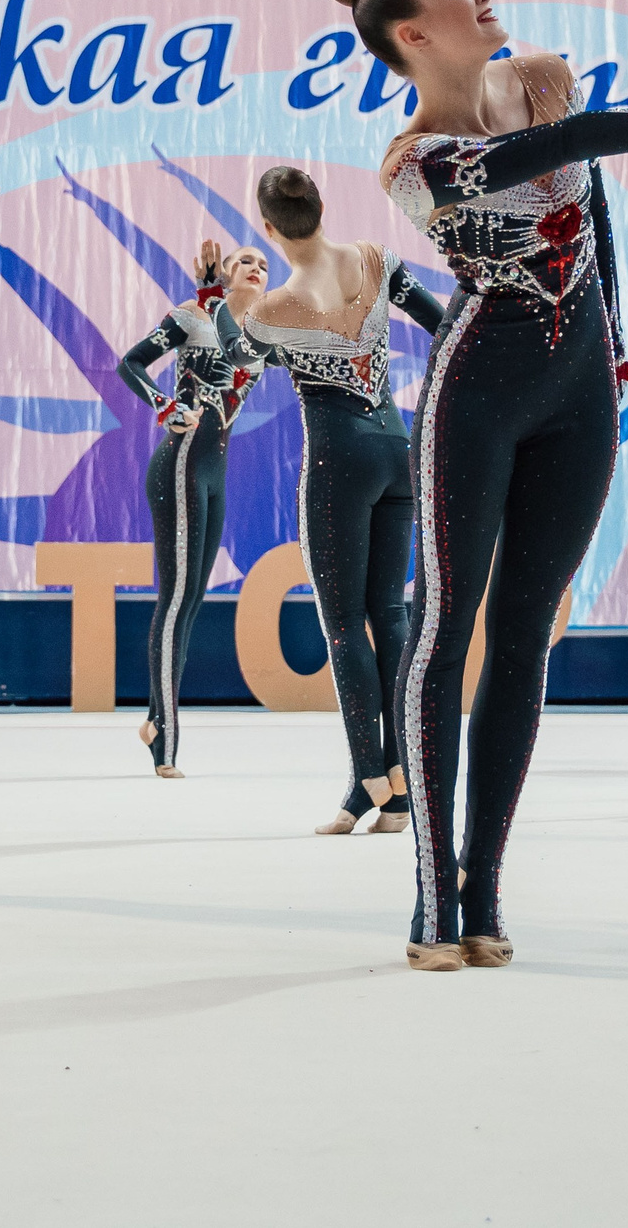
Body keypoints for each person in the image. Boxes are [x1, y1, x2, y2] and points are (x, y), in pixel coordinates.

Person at [341, 0, 628, 970]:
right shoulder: (412, 159)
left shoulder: (536, 87)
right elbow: (560, 146)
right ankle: (434, 892)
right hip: (479, 388)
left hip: (577, 397)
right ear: (412, 35)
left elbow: (587, 193)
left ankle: (485, 888)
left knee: (525, 639)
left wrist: (611, 347)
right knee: (445, 623)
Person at [215, 166, 441, 834]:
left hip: (338, 461)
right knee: (390, 619)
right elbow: (442, 322)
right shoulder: (375, 259)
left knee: (343, 624)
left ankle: (374, 775)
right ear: (321, 207)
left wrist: (233, 300)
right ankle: (390, 795)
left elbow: (237, 356)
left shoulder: (278, 308)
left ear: (268, 228)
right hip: (395, 452)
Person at [115, 246, 268, 777]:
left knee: (193, 601)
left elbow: (245, 362)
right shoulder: (193, 315)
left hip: (215, 471)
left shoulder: (257, 336)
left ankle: (157, 721)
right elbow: (129, 363)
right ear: (225, 273)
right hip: (180, 461)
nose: (256, 267)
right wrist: (163, 405)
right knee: (176, 599)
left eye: (265, 264)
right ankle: (166, 740)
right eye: (245, 260)